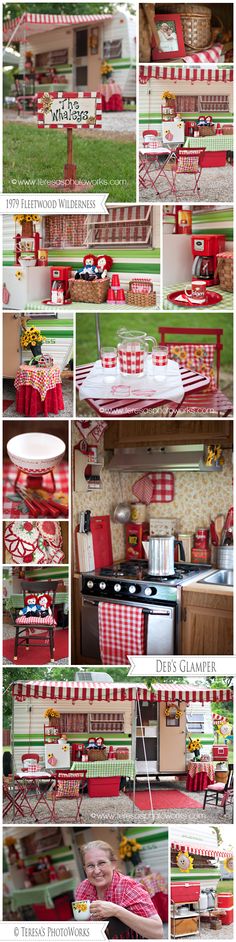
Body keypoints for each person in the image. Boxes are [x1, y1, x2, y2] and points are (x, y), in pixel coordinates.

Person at [75, 841, 163, 939]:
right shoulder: (82, 888)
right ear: (85, 869)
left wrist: (116, 911)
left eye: (102, 863)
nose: (96, 871)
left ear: (113, 864)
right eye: (90, 866)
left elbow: (158, 932)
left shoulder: (129, 887)